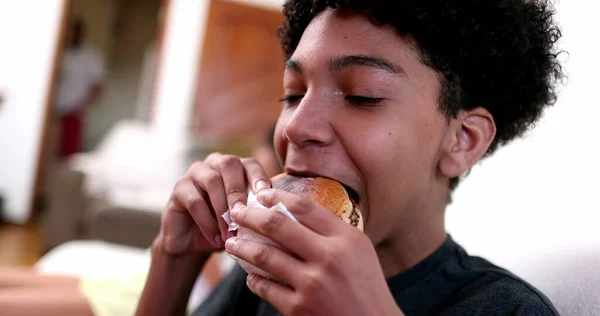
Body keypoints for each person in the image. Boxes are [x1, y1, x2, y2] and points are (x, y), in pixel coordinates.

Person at [136, 0, 563, 315]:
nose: (295, 128)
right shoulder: (269, 272)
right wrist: (174, 257)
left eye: (362, 96)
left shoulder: (504, 308)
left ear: (463, 140)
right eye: (293, 94)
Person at [53, 17, 105, 159]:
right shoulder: (61, 52)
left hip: (73, 112)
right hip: (53, 112)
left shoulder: (91, 56)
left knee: (67, 157)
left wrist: (81, 107)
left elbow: (97, 88)